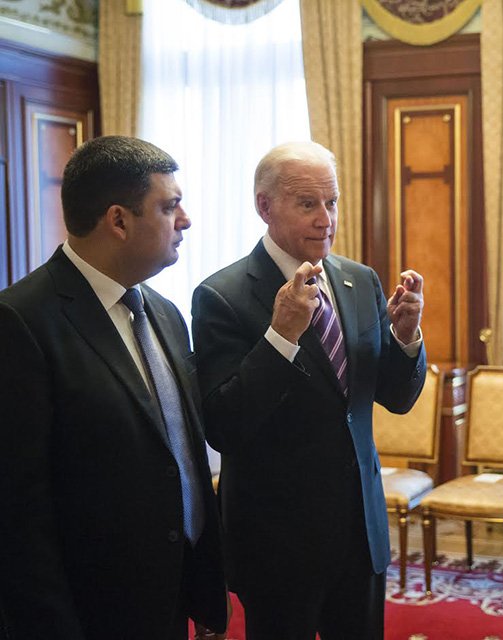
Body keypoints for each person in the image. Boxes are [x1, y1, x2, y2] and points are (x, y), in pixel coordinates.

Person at [192, 141, 426, 640]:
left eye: (332, 202)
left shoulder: (360, 280)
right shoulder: (221, 295)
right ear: (265, 206)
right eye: (307, 204)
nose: (326, 219)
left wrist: (405, 339)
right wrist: (280, 337)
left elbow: (396, 397)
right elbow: (224, 424)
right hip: (277, 543)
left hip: (360, 533)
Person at [0, 136, 228, 639]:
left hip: (174, 593)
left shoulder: (165, 313)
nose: (186, 220)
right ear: (119, 221)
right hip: (93, 610)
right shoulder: (21, 321)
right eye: (169, 206)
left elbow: (179, 454)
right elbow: (18, 513)